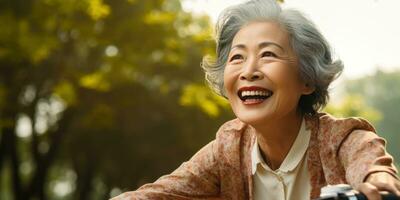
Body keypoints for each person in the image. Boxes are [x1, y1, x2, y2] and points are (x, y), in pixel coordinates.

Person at [111, 0, 400, 199]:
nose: (248, 71)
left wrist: (377, 183)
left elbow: (373, 166)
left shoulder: (341, 138)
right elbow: (158, 194)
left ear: (307, 80)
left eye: (268, 54)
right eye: (237, 57)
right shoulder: (228, 149)